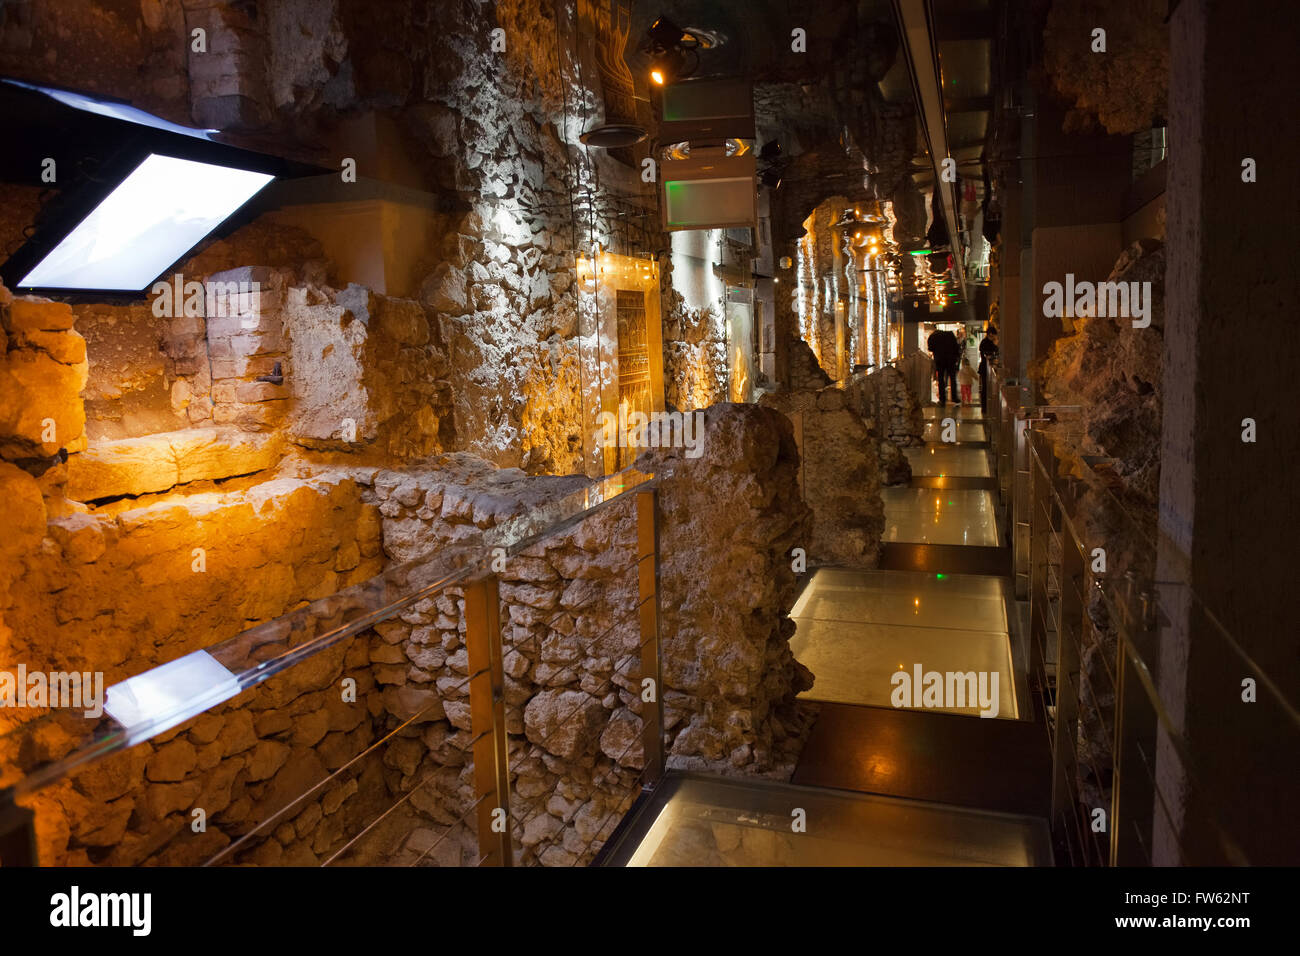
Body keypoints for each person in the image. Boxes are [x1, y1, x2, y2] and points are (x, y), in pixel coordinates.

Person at [927, 326, 961, 405]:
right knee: (952, 378)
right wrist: (956, 358)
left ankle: (942, 399)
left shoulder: (933, 337)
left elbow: (930, 348)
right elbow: (956, 347)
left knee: (941, 379)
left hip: (940, 360)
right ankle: (954, 397)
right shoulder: (950, 335)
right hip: (951, 360)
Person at [978, 326, 1000, 412]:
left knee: (988, 388)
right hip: (985, 368)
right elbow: (987, 355)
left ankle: (988, 407)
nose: (995, 337)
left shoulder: (986, 342)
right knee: (985, 388)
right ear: (990, 334)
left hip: (987, 368)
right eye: (994, 335)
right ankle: (985, 407)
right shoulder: (985, 343)